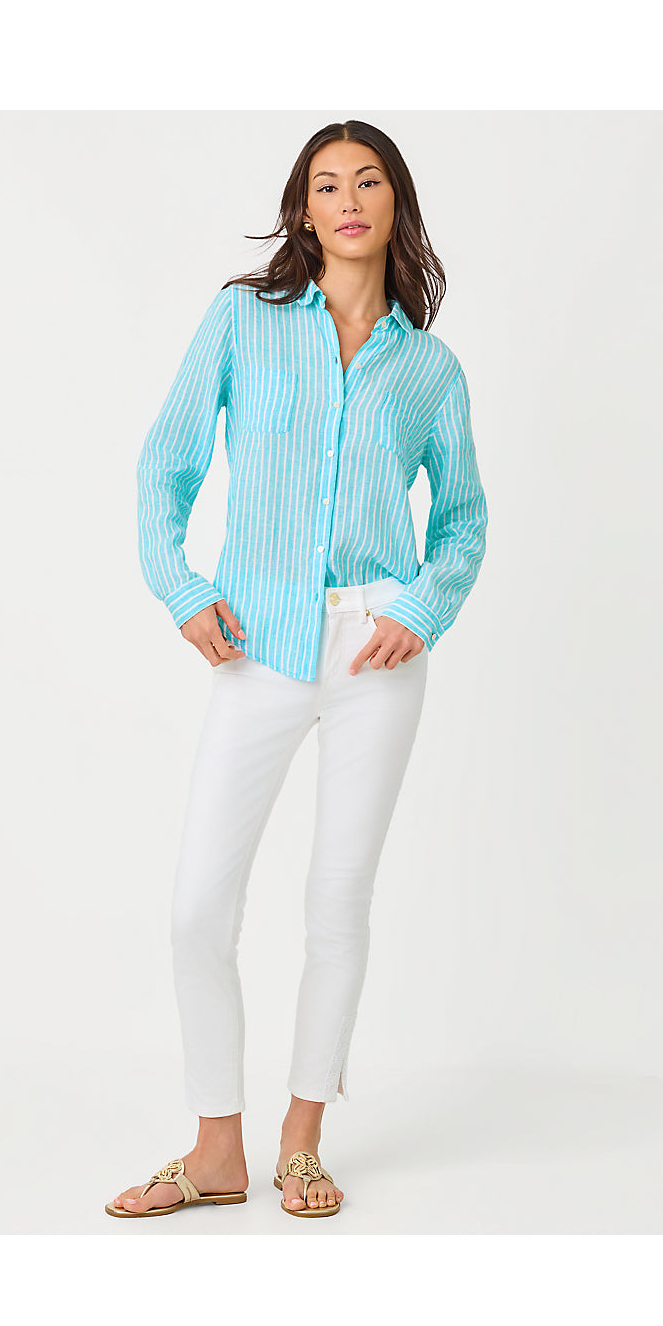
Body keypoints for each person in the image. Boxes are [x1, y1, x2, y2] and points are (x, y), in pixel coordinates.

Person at [106, 118, 488, 1221]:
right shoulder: (244, 319)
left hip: (375, 648)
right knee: (198, 904)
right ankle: (215, 1148)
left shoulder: (429, 367)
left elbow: (462, 520)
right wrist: (182, 587)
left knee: (336, 897)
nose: (348, 200)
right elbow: (166, 463)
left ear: (394, 202)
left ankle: (302, 1139)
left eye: (367, 181)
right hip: (259, 642)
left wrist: (421, 607)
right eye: (327, 185)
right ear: (303, 209)